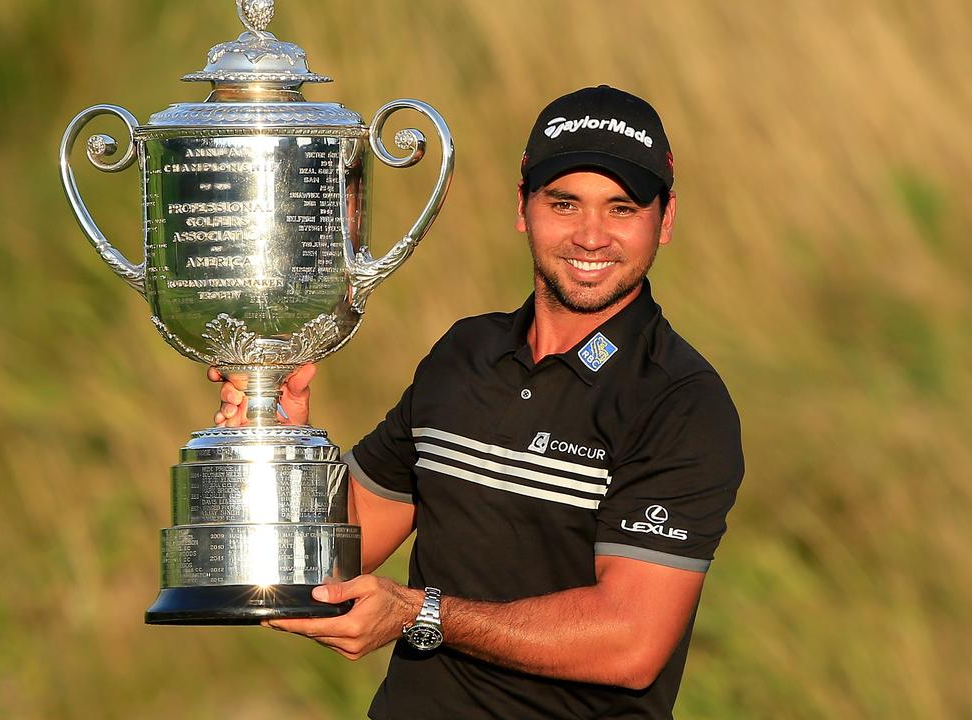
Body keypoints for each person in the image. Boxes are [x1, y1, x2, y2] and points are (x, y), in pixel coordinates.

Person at [210, 85, 744, 720]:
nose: (592, 236)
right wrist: (278, 443)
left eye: (622, 208)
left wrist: (421, 613)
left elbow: (629, 642)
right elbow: (336, 551)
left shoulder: (681, 402)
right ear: (523, 205)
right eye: (565, 203)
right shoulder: (465, 353)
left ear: (667, 217)